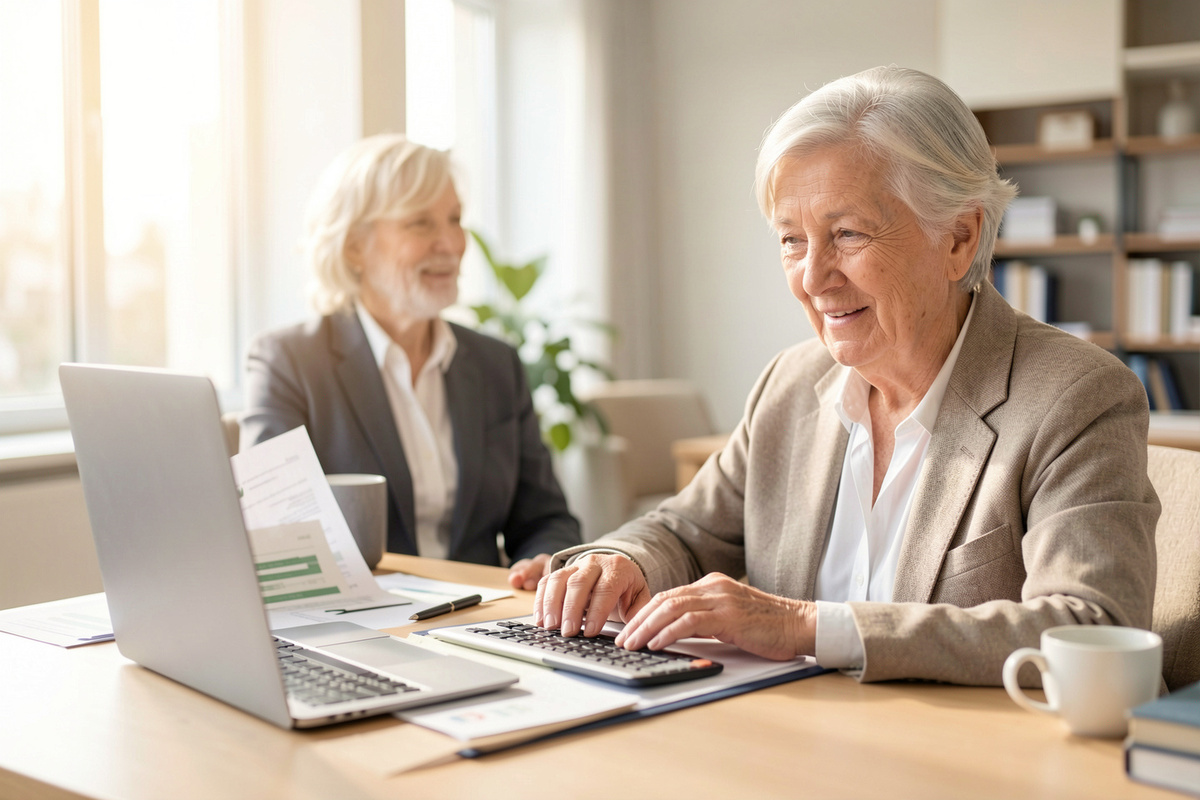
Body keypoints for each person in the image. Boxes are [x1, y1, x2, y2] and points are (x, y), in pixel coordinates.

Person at [533, 66, 1160, 685]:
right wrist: (621, 559)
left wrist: (809, 626)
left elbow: (1091, 625)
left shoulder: (1076, 396)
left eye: (848, 234)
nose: (812, 277)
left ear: (959, 239)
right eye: (791, 241)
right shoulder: (789, 384)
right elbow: (685, 530)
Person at [240, 134, 581, 590]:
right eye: (420, 224)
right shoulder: (288, 363)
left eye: (455, 219)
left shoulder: (497, 364)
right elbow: (274, 537)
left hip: (486, 619)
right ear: (354, 246)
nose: (451, 243)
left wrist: (543, 560)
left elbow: (547, 519)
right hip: (362, 626)